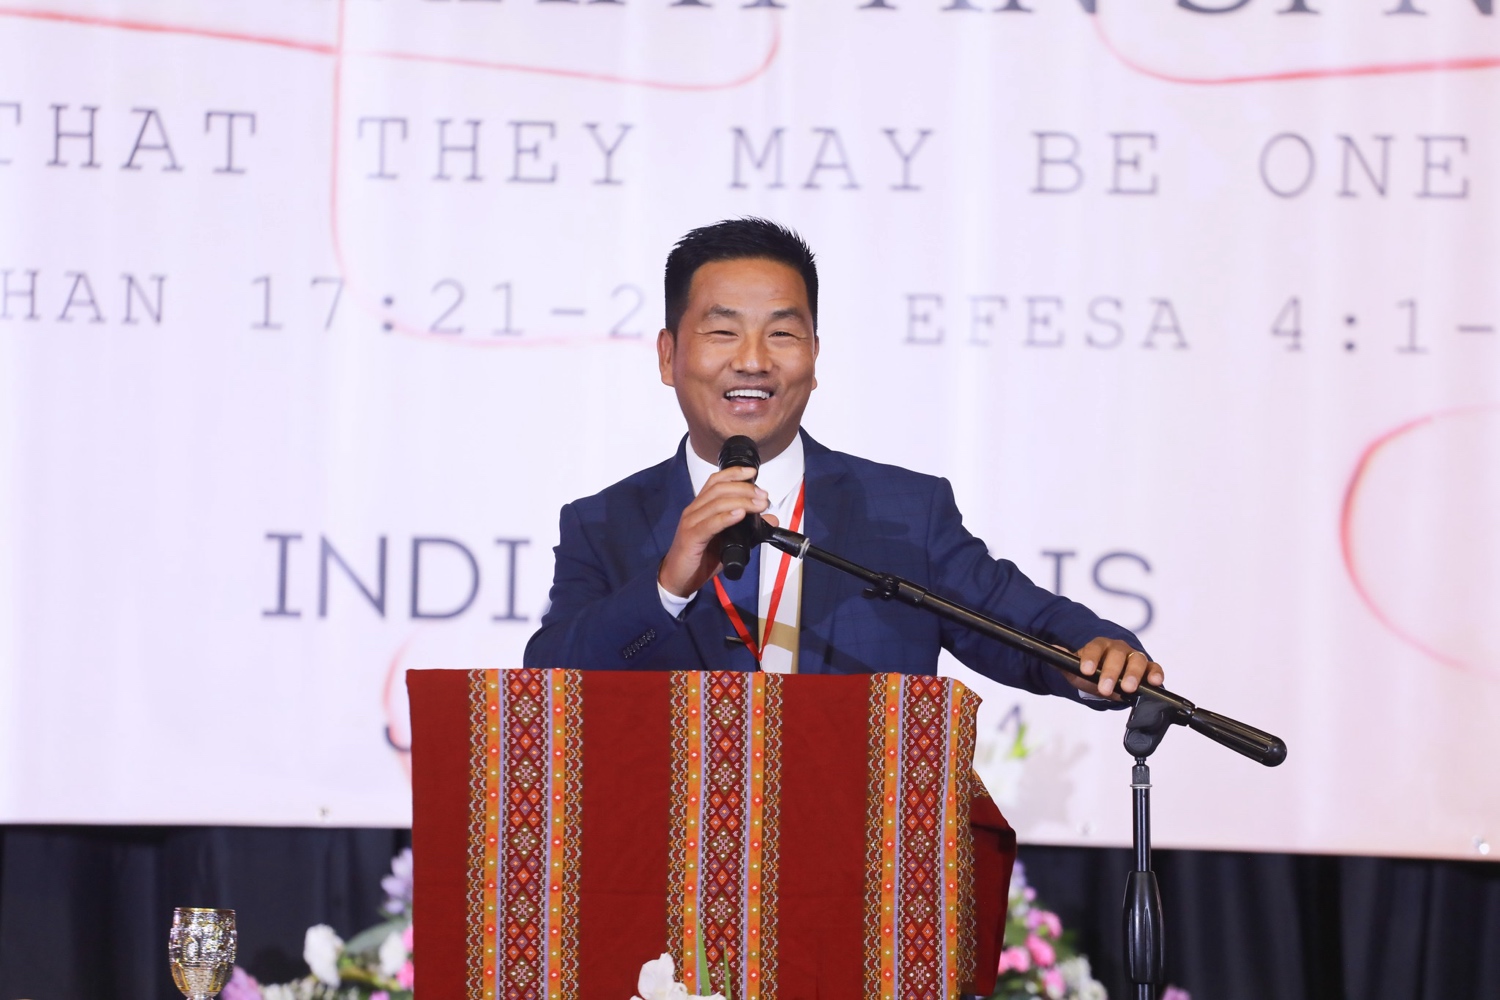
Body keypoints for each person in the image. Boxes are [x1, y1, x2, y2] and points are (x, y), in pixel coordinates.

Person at [523, 218, 1164, 703]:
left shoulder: (905, 513)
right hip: (672, 835)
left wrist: (1099, 653)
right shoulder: (600, 523)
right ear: (669, 357)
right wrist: (667, 585)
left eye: (782, 332)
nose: (753, 360)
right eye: (722, 332)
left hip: (858, 833)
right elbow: (549, 685)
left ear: (814, 355)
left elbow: (1016, 623)